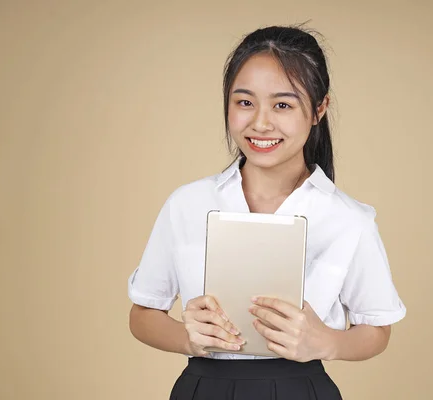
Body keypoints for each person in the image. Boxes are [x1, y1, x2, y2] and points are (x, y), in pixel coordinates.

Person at [127, 24, 407, 400]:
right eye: (244, 102)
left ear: (318, 109)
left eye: (282, 105)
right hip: (202, 388)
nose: (260, 123)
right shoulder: (187, 204)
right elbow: (142, 315)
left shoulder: (348, 219)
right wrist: (189, 338)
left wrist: (326, 342)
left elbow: (377, 330)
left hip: (301, 389)